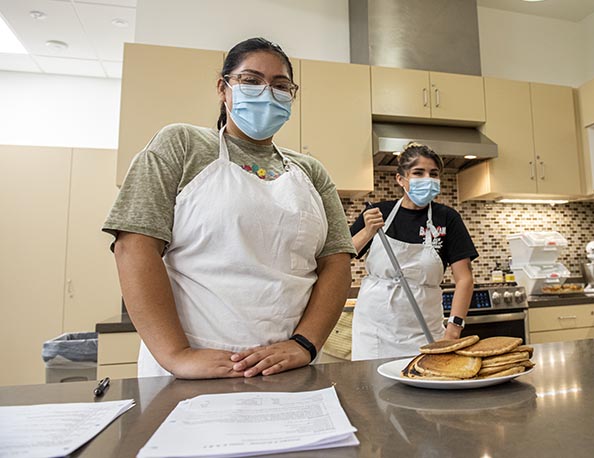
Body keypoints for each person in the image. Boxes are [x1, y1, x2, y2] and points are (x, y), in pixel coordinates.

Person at [103, 38, 355, 379]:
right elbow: (134, 246)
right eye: (251, 80)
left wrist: (304, 344)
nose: (267, 93)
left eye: (280, 86)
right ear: (223, 88)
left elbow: (336, 263)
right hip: (196, 368)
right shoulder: (182, 145)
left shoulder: (310, 171)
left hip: (289, 368)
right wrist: (177, 355)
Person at [349, 143, 477, 360]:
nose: (427, 179)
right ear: (401, 179)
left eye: (433, 174)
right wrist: (368, 231)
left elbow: (464, 279)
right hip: (374, 332)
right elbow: (344, 254)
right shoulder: (378, 213)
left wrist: (453, 330)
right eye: (418, 173)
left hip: (424, 329)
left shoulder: (447, 218)